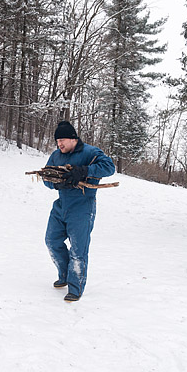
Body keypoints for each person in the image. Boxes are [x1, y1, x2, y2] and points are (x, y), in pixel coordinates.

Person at [43, 121, 115, 302]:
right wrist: (56, 183)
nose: (59, 144)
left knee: (78, 249)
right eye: (57, 141)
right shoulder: (56, 156)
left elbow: (109, 167)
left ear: (73, 139)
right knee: (51, 240)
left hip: (83, 207)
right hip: (61, 205)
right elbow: (46, 177)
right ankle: (65, 274)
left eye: (62, 140)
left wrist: (84, 170)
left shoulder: (90, 152)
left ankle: (75, 288)